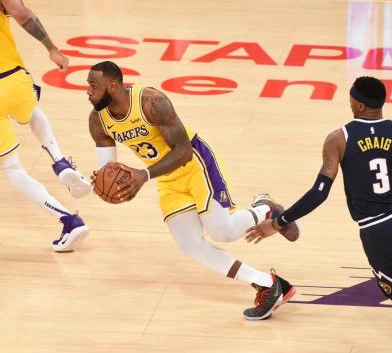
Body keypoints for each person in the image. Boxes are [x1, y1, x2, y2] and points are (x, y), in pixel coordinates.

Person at [87, 60, 300, 320]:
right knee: (190, 244)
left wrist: (143, 175)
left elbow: (183, 150)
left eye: (93, 85)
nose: (88, 91)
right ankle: (268, 284)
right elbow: (108, 169)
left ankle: (266, 207)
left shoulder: (151, 102)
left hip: (194, 165)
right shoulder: (98, 120)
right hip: (165, 177)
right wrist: (102, 184)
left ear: (114, 85)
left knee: (223, 232)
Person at [246, 76, 392, 301]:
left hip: (376, 230)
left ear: (360, 105)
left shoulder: (339, 139)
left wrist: (278, 223)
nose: (349, 104)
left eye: (351, 101)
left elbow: (319, 193)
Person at [0, 0, 90, 251]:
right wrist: (51, 47)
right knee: (33, 110)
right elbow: (23, 15)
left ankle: (69, 220)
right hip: (14, 80)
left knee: (12, 168)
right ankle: (59, 161)